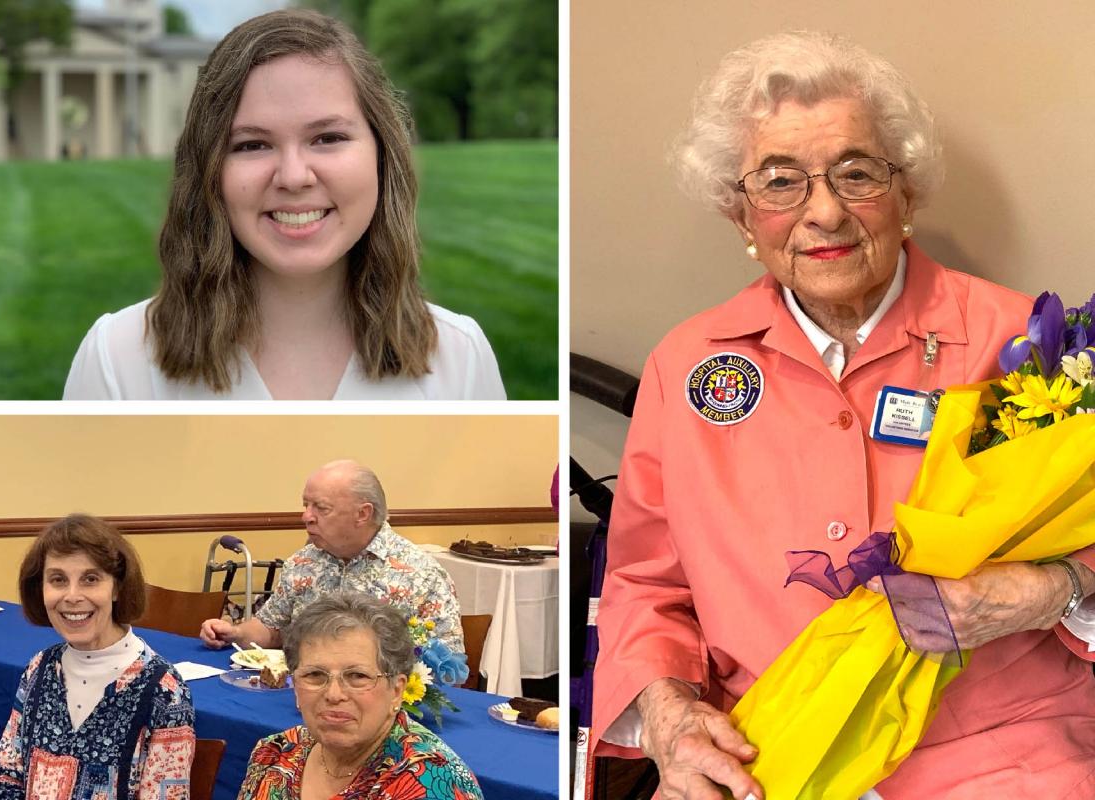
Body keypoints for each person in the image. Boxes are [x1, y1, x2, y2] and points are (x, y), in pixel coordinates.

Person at [591, 31, 1095, 800]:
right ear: (742, 217)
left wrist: (1050, 589)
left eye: (856, 173)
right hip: (765, 746)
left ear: (906, 195)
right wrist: (670, 717)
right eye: (780, 181)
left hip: (999, 753)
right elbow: (643, 583)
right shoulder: (687, 363)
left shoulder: (1026, 343)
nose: (824, 211)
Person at [63, 9, 503, 400]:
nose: (294, 177)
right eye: (252, 145)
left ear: (382, 155)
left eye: (328, 138)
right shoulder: (116, 360)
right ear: (207, 171)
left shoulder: (460, 357)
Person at [0, 514, 195, 799]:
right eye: (58, 579)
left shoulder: (164, 690)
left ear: (117, 587)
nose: (72, 596)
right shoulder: (39, 669)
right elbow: (7, 781)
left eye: (90, 579)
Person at [199, 460, 465, 653]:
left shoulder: (422, 575)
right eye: (306, 505)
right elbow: (272, 628)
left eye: (321, 508)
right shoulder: (303, 562)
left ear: (363, 514)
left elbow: (447, 664)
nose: (306, 517)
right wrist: (236, 633)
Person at [236, 593, 482, 799]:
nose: (333, 694)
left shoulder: (429, 782)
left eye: (357, 676)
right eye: (314, 675)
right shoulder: (275, 753)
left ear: (396, 691)